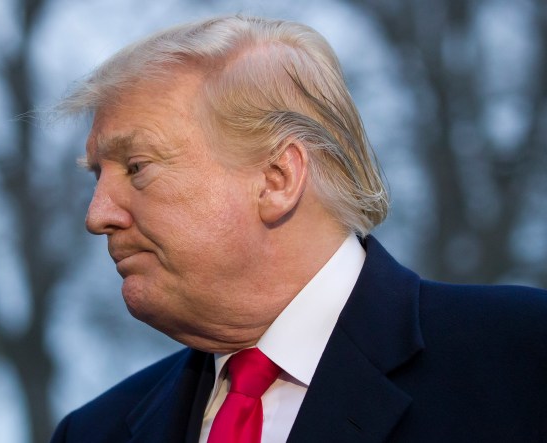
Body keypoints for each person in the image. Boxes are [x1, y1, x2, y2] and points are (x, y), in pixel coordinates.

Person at [51, 15, 547, 443]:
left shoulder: (521, 359)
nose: (97, 215)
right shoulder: (95, 430)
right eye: (98, 176)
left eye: (137, 167)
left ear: (277, 179)